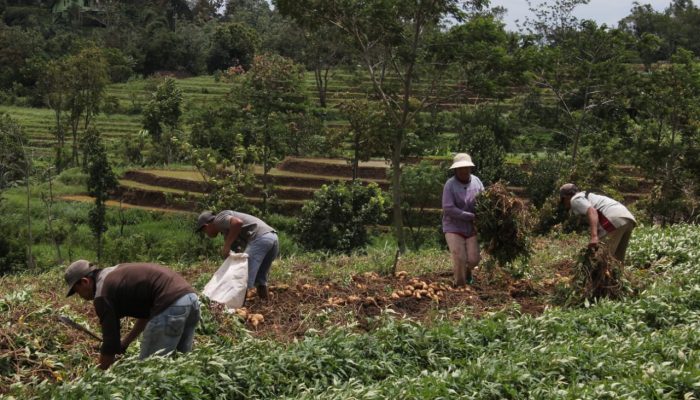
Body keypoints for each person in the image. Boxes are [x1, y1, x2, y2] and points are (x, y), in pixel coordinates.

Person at [64, 260, 200, 369]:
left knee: (149, 369)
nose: (80, 296)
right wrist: (124, 344)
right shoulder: (114, 273)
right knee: (181, 364)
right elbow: (146, 316)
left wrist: (99, 373)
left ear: (85, 281)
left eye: (77, 291)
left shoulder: (102, 295)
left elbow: (110, 343)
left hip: (170, 306)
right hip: (191, 300)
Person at [196, 210, 279, 300]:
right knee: (260, 278)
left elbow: (237, 223)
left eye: (205, 231)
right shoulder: (227, 231)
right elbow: (237, 252)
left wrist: (226, 246)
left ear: (206, 226)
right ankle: (266, 305)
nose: (207, 234)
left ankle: (238, 310)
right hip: (272, 238)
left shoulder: (218, 220)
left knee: (243, 277)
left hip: (260, 238)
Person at [559, 183, 636, 262]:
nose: (564, 205)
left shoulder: (575, 199)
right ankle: (616, 274)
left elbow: (591, 211)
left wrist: (594, 237)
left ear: (566, 197)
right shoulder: (588, 196)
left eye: (563, 201)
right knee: (617, 261)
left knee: (600, 260)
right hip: (627, 218)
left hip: (613, 219)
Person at [442, 153, 485, 287]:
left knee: (473, 259)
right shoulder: (450, 185)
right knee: (459, 257)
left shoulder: (477, 182)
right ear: (455, 170)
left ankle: (468, 272)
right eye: (461, 169)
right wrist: (470, 215)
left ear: (470, 168)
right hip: (453, 226)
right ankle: (460, 286)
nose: (464, 171)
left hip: (471, 227)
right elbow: (448, 208)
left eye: (466, 168)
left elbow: (484, 199)